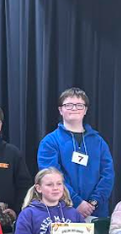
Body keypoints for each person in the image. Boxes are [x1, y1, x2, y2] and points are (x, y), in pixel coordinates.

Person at [36, 87, 115, 219]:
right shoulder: (49, 142)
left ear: (85, 110)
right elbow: (50, 176)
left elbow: (108, 174)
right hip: (61, 210)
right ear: (60, 110)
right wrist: (76, 202)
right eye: (68, 105)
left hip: (95, 212)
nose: (74, 108)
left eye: (79, 105)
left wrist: (93, 202)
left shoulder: (98, 142)